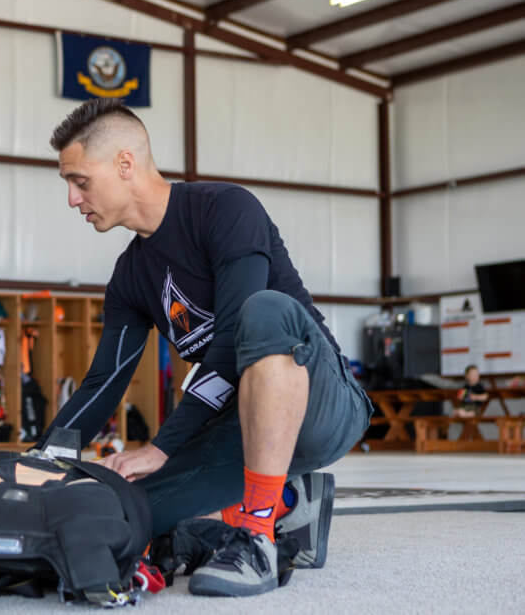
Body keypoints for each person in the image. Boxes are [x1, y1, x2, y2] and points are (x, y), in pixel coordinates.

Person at [38, 98, 373, 597]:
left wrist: (161, 447)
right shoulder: (131, 276)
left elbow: (236, 335)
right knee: (122, 514)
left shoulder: (225, 210)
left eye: (80, 181)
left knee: (265, 311)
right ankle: (286, 502)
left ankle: (257, 538)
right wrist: (41, 459)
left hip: (324, 404)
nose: (71, 199)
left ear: (124, 165)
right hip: (242, 421)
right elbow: (102, 381)